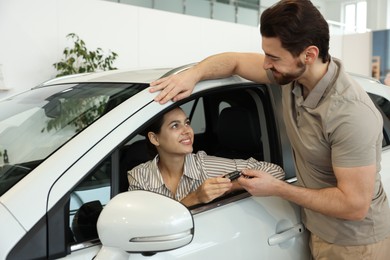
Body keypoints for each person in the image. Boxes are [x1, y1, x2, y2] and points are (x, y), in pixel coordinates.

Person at [148, 0, 390, 259]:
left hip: (355, 244)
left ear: (308, 55)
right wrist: (193, 74)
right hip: (318, 228)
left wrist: (277, 188)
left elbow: (354, 206)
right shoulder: (291, 76)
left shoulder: (351, 113)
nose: (265, 64)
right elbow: (235, 61)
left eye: (273, 57)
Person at [127, 107, 285, 207]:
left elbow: (275, 171)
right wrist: (195, 198)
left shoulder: (202, 164)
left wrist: (229, 187)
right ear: (154, 138)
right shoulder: (140, 177)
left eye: (187, 123)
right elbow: (144, 229)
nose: (187, 130)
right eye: (175, 125)